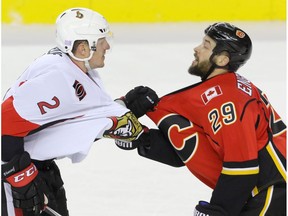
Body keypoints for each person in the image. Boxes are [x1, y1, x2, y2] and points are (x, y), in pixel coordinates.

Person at [115, 22, 286, 215]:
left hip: (274, 193)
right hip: (265, 191)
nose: (197, 49)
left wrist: (218, 210)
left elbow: (243, 168)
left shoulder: (227, 101)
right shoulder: (225, 89)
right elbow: (193, 146)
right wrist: (141, 139)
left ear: (222, 59)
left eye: (206, 45)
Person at [1, 7, 158, 216]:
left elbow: (69, 124)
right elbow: (4, 123)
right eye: (102, 41)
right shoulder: (57, 79)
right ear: (84, 49)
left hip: (40, 167)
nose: (107, 46)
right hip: (12, 172)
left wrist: (123, 107)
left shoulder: (81, 71)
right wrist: (20, 178)